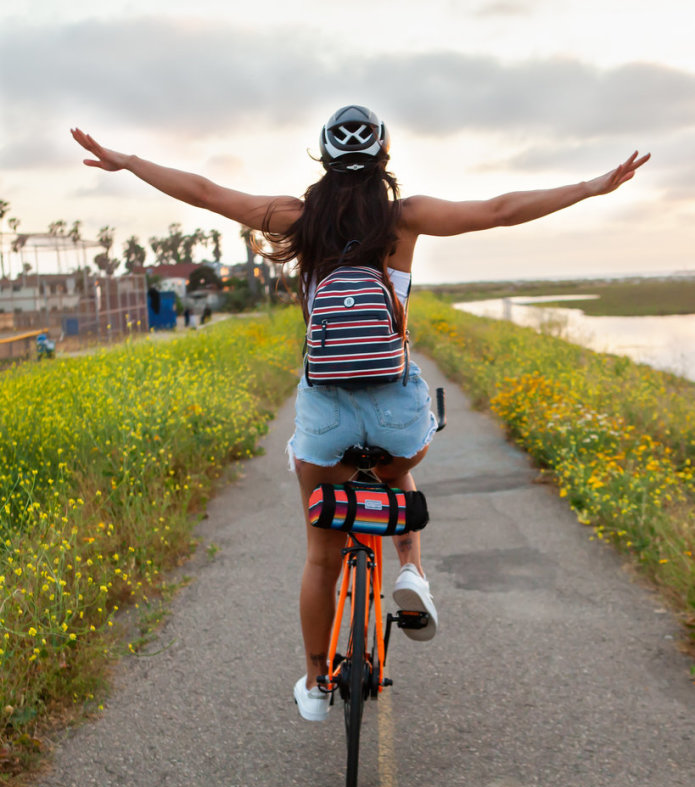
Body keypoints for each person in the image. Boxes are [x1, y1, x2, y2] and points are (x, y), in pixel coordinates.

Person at [71, 108, 649, 722]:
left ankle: (318, 685)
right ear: (383, 159)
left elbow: (208, 193)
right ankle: (412, 571)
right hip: (397, 412)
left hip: (326, 416)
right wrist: (590, 187)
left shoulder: (298, 218)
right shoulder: (406, 218)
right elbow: (500, 210)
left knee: (321, 555)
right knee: (400, 468)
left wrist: (130, 162)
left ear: (324, 160)